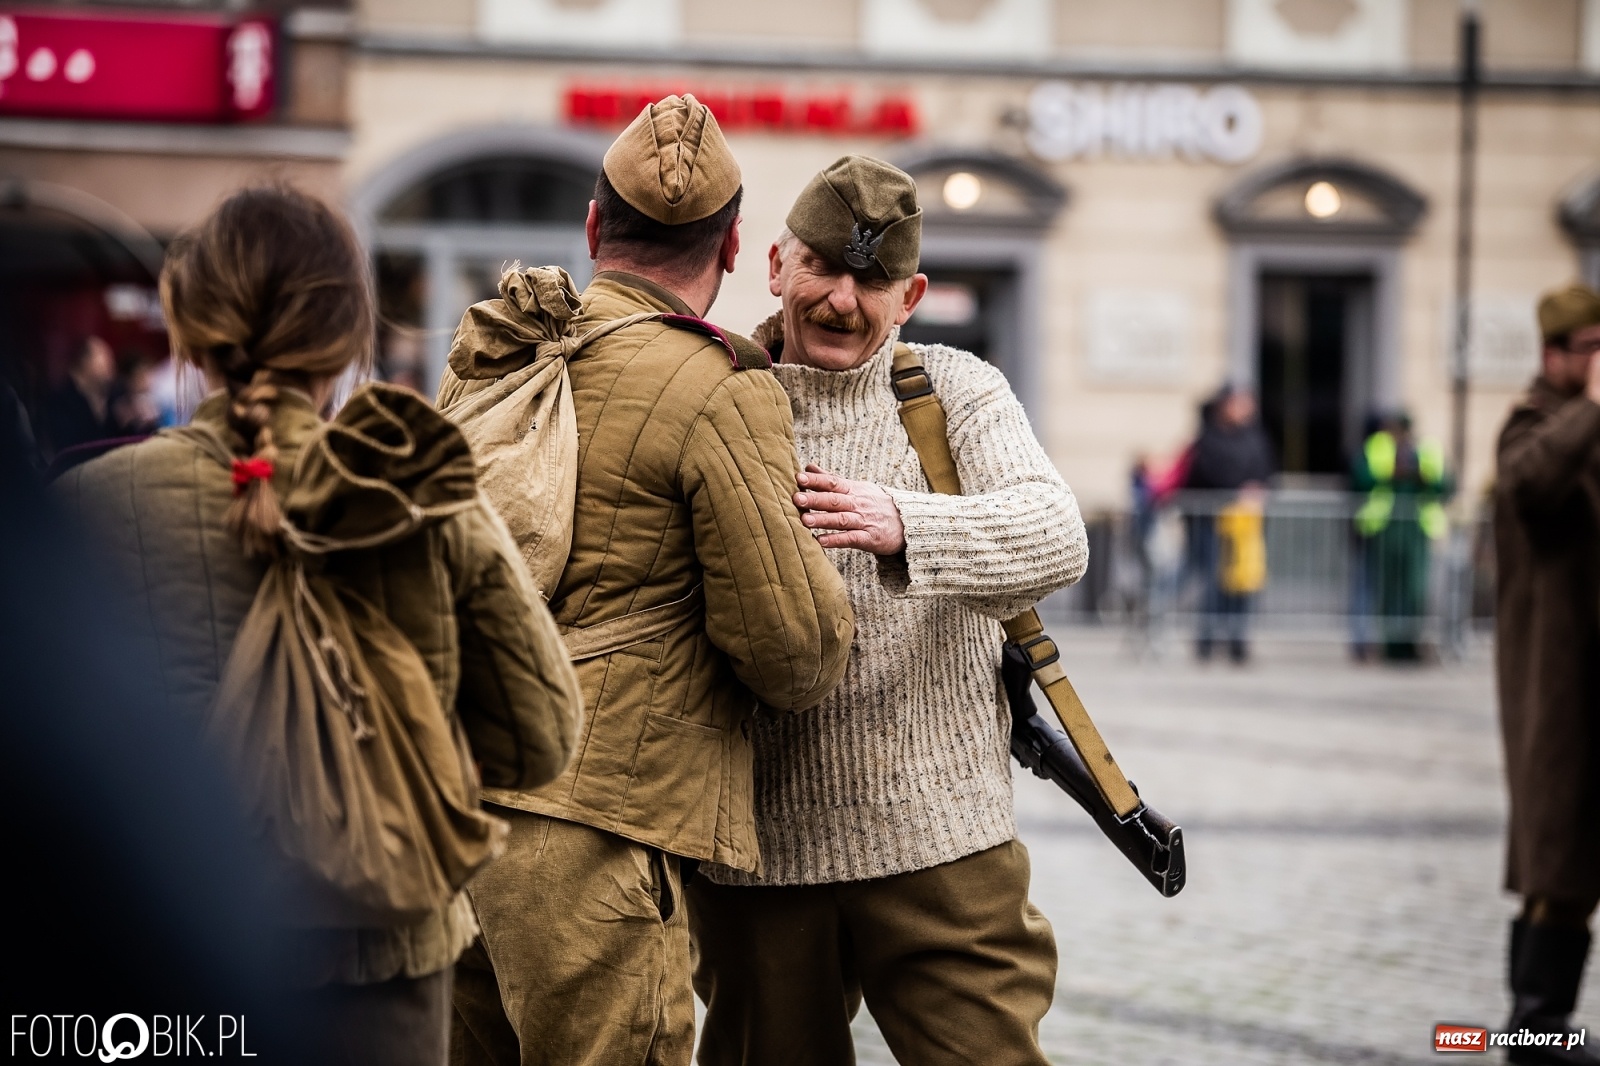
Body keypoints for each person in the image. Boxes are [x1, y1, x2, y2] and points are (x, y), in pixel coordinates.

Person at [53, 186, 584, 1066]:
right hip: (383, 969)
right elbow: (541, 735)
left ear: (187, 331)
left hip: (158, 963)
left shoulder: (85, 511)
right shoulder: (424, 495)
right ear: (347, 338)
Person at [439, 97, 854, 1066]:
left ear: (593, 227)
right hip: (592, 829)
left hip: (446, 808)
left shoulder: (495, 353)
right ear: (733, 244)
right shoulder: (717, 381)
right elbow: (791, 649)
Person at [688, 155, 1089, 1066]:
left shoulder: (954, 390)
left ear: (909, 296)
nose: (841, 299)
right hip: (760, 853)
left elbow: (1057, 535)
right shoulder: (713, 392)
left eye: (871, 281)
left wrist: (904, 521)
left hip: (944, 841)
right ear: (775, 265)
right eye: (823, 267)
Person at [1495, 284, 1600, 1065]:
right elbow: (1530, 484)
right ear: (1555, 354)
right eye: (1590, 348)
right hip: (1554, 686)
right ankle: (1534, 1029)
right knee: (1555, 859)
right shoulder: (1533, 424)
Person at [1182, 384, 1273, 663]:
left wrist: (1258, 490)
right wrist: (1238, 491)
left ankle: (1238, 640)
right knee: (1212, 583)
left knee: (1242, 584)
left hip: (1245, 525)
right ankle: (1207, 640)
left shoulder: (1255, 438)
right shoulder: (1209, 438)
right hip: (1212, 523)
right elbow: (1208, 474)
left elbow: (1267, 470)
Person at [1350, 412, 1450, 661]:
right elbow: (1360, 478)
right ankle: (1390, 644)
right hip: (1386, 530)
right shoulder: (1378, 448)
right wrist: (1389, 475)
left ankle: (1411, 643)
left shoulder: (1426, 451)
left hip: (1416, 531)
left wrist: (1422, 478)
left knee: (1414, 590)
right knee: (1388, 589)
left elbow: (1445, 485)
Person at [41, 334, 116, 457]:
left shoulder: (112, 399)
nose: (111, 364)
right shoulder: (59, 402)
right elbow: (69, 449)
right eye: (105, 358)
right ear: (84, 361)